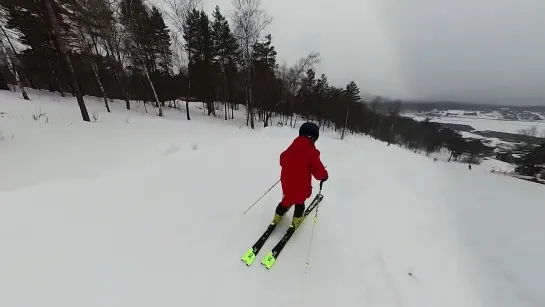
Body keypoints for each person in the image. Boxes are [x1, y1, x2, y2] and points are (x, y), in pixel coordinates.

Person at [271, 122, 329, 229]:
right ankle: (296, 221)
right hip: (302, 188)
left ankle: (277, 217)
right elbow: (318, 172)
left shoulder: (291, 148)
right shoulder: (312, 153)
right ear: (312, 137)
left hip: (287, 184)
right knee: (299, 202)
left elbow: (282, 159)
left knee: (286, 200)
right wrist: (324, 176)